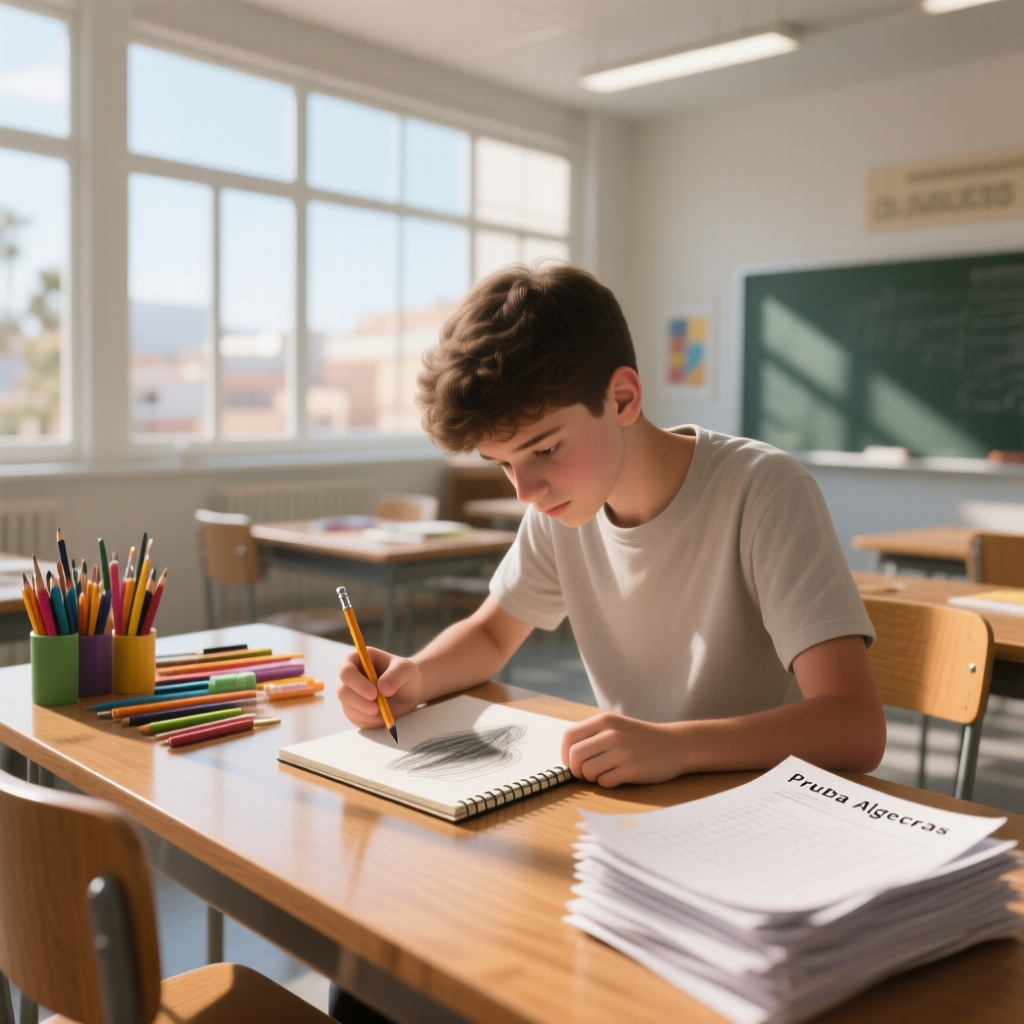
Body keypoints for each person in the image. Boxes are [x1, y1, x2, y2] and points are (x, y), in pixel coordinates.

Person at [336, 262, 886, 787]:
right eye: (503, 464)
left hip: (762, 801)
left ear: (622, 398)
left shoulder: (765, 492)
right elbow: (492, 633)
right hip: (640, 794)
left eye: (545, 449)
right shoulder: (560, 509)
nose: (525, 490)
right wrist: (414, 676)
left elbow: (855, 726)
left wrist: (676, 747)